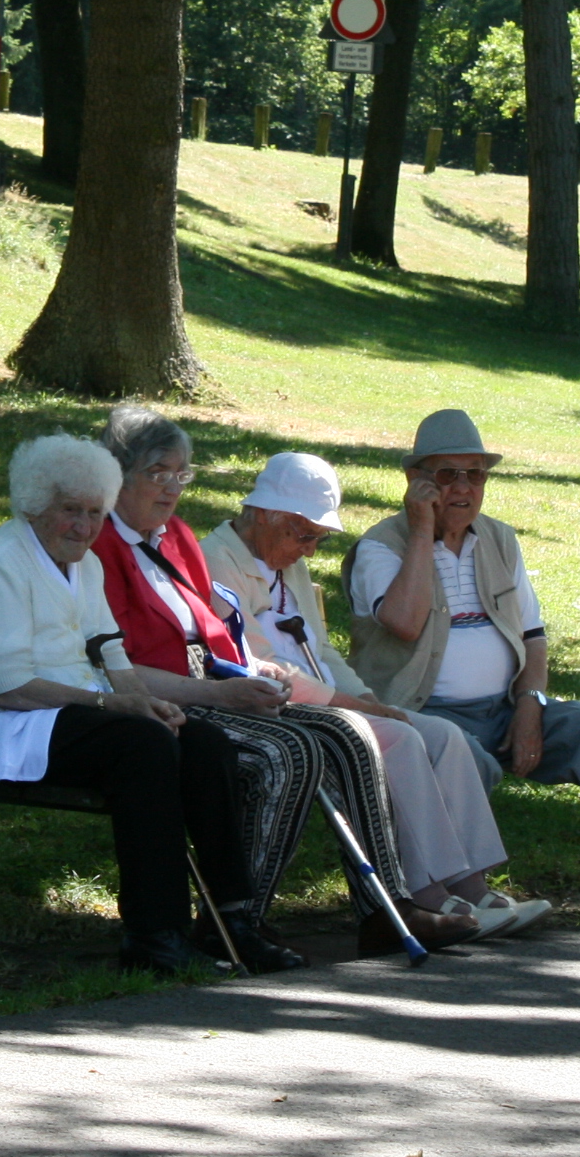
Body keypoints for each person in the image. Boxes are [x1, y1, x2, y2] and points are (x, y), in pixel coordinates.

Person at [348, 409, 580, 931]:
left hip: (503, 708)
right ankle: (458, 897)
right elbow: (403, 623)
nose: (463, 488)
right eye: (448, 474)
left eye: (476, 474)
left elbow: (533, 637)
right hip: (425, 715)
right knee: (469, 757)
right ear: (416, 479)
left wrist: (529, 706)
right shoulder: (380, 547)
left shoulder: (499, 539)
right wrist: (424, 530)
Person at [0, 434, 262, 978]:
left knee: (202, 741)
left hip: (72, 717)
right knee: (142, 747)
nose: (84, 527)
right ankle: (154, 935)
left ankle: (234, 921)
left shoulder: (85, 566)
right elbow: (8, 686)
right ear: (34, 504)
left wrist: (146, 703)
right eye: (70, 511)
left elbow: (111, 654)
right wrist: (114, 707)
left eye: (95, 513)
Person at [204, 451, 551, 942]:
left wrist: (366, 696)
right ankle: (423, 896)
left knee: (443, 736)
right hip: (274, 706)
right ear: (264, 515)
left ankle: (471, 886)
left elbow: (321, 648)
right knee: (397, 739)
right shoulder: (216, 561)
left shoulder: (286, 558)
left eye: (317, 538)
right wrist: (362, 709)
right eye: (303, 534)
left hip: (332, 701)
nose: (309, 549)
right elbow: (262, 667)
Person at [89, 408, 382, 961]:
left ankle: (384, 908)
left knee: (346, 732)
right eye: (158, 472)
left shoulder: (174, 536)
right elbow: (115, 664)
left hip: (215, 686)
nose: (173, 488)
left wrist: (251, 668)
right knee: (290, 749)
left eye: (182, 474)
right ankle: (235, 918)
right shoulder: (99, 545)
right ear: (116, 473)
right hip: (164, 697)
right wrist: (222, 692)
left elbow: (215, 626)